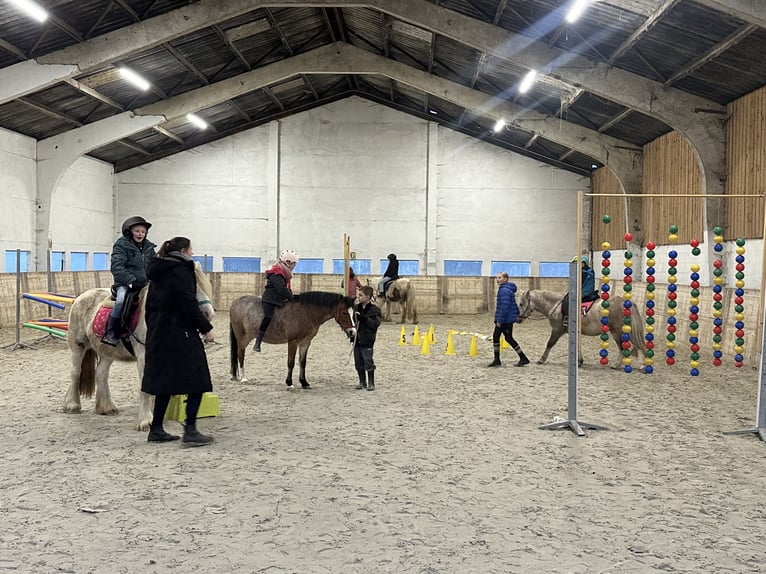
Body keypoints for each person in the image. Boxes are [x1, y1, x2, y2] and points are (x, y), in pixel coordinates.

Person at [141, 236, 215, 446]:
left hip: (158, 331)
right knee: (198, 381)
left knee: (164, 382)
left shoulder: (158, 271)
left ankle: (156, 429)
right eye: (191, 249)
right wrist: (206, 328)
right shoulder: (182, 270)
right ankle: (190, 430)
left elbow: (149, 305)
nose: (192, 253)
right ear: (184, 250)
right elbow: (187, 303)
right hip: (179, 331)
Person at [103, 216, 156, 346]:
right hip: (126, 283)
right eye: (137, 231)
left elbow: (155, 263)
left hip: (145, 283)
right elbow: (117, 266)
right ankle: (111, 331)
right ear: (129, 231)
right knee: (120, 301)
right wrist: (131, 280)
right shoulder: (121, 245)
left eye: (143, 231)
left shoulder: (149, 247)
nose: (140, 234)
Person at [254, 249, 299, 352]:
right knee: (268, 316)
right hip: (270, 299)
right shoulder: (276, 273)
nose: (294, 267)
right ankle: (258, 341)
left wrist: (292, 296)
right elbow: (281, 289)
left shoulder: (284, 273)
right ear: (287, 263)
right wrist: (291, 297)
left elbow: (286, 289)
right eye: (293, 264)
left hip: (279, 299)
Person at [488, 272, 529, 368]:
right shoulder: (507, 290)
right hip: (507, 319)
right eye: (497, 277)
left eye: (499, 277)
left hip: (505, 320)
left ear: (505, 279)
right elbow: (513, 304)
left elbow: (504, 307)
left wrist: (499, 320)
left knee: (499, 337)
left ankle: (498, 359)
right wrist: (517, 314)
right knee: (506, 338)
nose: (497, 279)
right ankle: (522, 358)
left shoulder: (504, 291)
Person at [353, 285, 382, 391]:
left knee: (368, 361)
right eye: (358, 295)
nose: (358, 297)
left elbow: (375, 324)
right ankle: (362, 381)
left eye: (361, 295)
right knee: (358, 362)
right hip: (357, 339)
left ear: (368, 297)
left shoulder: (375, 310)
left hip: (368, 340)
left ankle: (371, 382)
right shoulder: (356, 308)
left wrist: (364, 319)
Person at [561, 255, 600, 324]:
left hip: (585, 291)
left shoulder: (583, 272)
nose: (577, 266)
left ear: (583, 264)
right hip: (587, 290)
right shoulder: (589, 271)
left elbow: (577, 283)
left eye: (579, 263)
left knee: (568, 299)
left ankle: (567, 317)